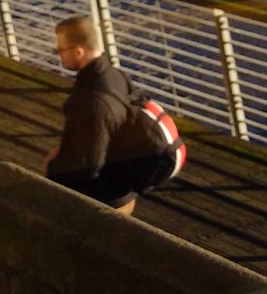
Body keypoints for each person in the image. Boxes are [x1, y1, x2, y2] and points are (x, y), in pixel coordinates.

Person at [44, 16, 185, 215]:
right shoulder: (113, 75)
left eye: (60, 50)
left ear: (78, 51)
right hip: (125, 180)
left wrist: (52, 167)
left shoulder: (94, 101)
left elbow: (88, 166)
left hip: (111, 199)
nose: (59, 55)